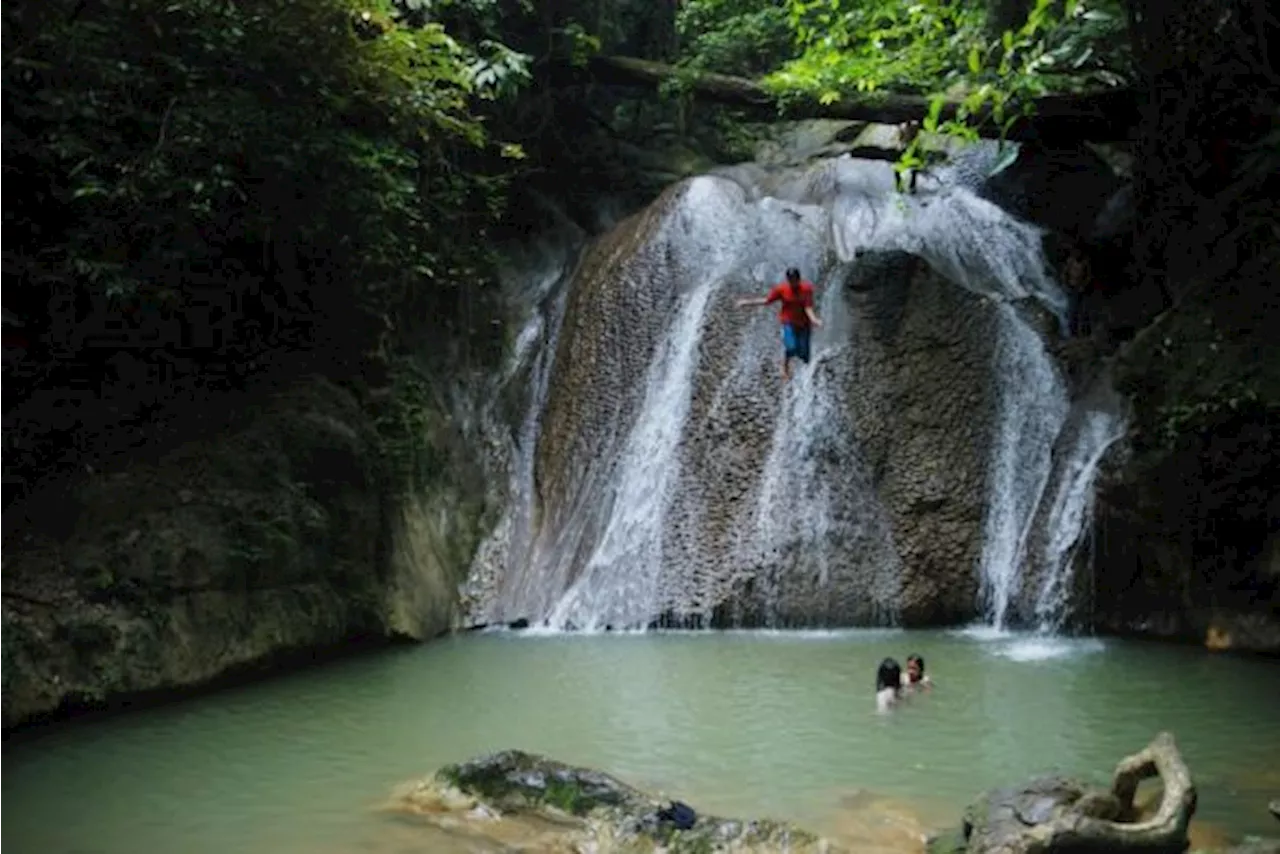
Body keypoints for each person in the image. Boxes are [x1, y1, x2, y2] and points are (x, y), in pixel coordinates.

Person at [736, 267, 822, 381]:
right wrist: (747, 302)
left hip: (804, 324)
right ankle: (785, 366)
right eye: (790, 280)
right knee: (791, 347)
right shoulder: (782, 289)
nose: (793, 283)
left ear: (799, 279)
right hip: (789, 322)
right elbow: (767, 301)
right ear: (787, 279)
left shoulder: (806, 289)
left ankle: (805, 378)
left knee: (805, 356)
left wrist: (814, 319)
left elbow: (808, 306)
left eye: (795, 280)